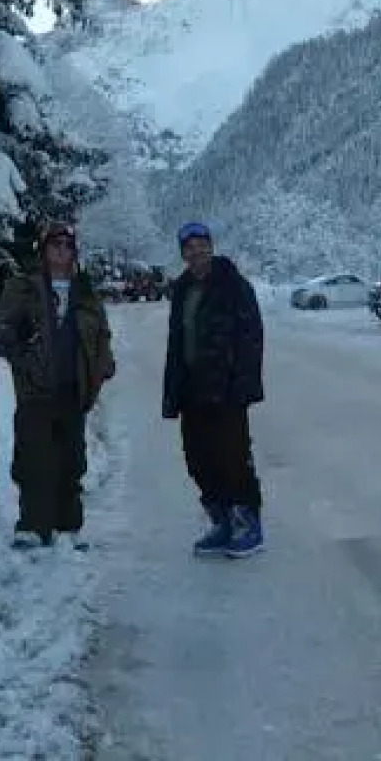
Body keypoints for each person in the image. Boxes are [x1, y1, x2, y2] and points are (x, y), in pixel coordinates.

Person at [0, 222, 115, 550]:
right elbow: (2, 329)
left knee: (71, 460)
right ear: (44, 250)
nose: (61, 251)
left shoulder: (86, 293)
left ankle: (67, 526)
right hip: (35, 390)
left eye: (67, 245)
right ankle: (33, 525)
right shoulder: (24, 287)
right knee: (35, 459)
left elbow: (102, 335)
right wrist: (22, 356)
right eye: (55, 245)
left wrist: (102, 367)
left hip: (73, 389)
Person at [163, 221, 266, 558]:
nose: (196, 251)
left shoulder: (234, 285)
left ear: (211, 246)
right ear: (183, 253)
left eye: (201, 244)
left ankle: (247, 521)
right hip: (192, 390)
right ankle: (221, 519)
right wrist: (172, 391)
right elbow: (176, 343)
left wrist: (245, 383)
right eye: (189, 246)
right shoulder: (182, 290)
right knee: (197, 457)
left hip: (226, 389)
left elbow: (252, 337)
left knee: (232, 455)